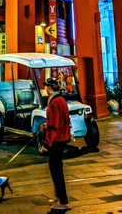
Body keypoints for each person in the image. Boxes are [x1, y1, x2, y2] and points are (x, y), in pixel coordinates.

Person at [41, 77, 71, 211]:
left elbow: (54, 127)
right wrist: (47, 124)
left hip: (57, 139)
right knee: (57, 166)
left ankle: (63, 201)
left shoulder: (53, 103)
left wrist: (46, 144)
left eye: (46, 87)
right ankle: (59, 196)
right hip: (64, 137)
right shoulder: (61, 100)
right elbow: (60, 120)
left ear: (49, 89)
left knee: (56, 169)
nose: (44, 89)